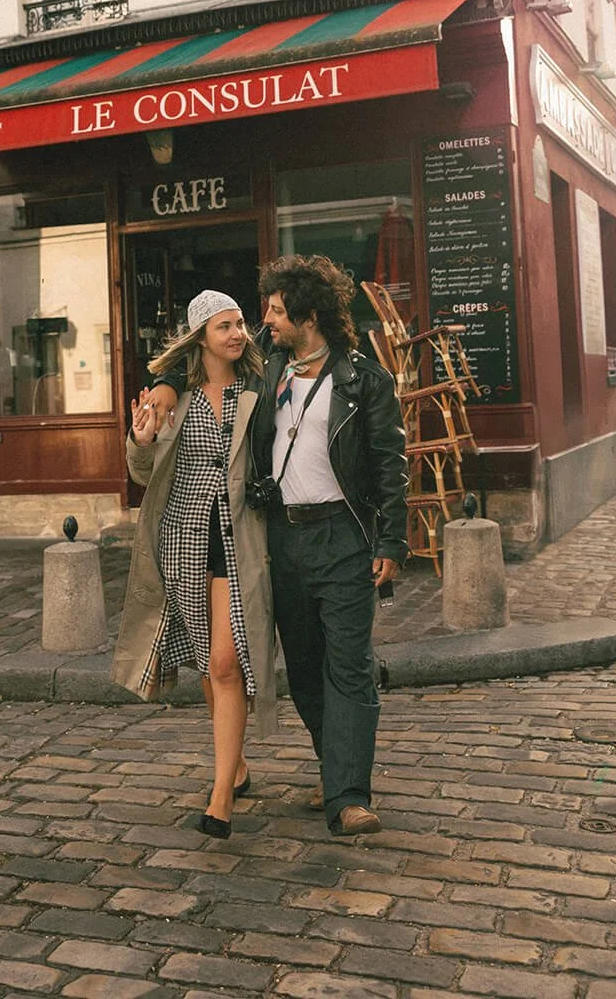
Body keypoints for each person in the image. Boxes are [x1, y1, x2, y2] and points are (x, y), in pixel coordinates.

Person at [151, 255, 409, 838]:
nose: (263, 322)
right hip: (283, 542)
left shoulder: (364, 379)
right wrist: (166, 385)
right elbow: (198, 363)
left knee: (350, 667)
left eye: (273, 310)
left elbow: (391, 465)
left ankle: (348, 795)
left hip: (344, 536)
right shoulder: (267, 375)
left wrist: (392, 537)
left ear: (307, 315)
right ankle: (334, 764)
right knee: (306, 669)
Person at [111, 290, 277, 839]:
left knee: (228, 665)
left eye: (240, 325)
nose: (238, 334)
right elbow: (141, 473)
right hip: (183, 545)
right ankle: (238, 765)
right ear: (200, 337)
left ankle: (222, 795)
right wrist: (139, 440)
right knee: (209, 668)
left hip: (238, 543)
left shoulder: (258, 390)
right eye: (225, 326)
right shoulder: (172, 398)